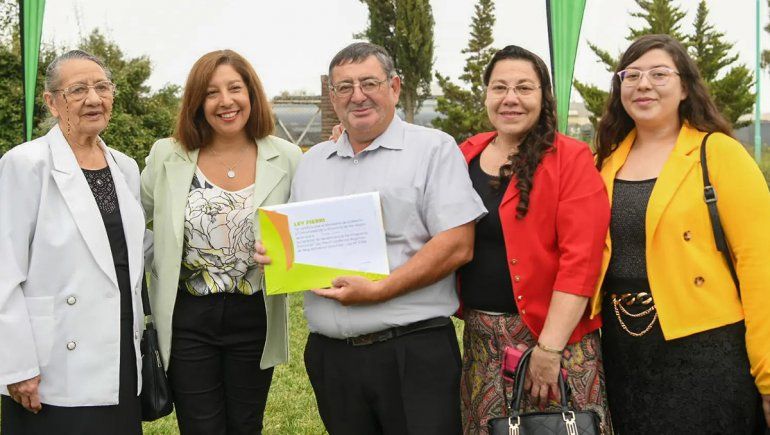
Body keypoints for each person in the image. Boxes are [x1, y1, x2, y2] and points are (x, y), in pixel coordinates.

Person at [256, 42, 486, 434]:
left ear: (394, 87)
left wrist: (380, 291)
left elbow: (457, 244)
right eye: (344, 87)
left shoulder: (433, 149)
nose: (357, 95)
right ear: (332, 97)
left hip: (412, 352)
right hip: (333, 359)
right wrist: (277, 254)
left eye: (369, 83)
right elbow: (302, 240)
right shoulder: (313, 163)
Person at [592, 34, 770, 433]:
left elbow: (761, 267)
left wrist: (769, 375)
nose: (643, 84)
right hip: (622, 349)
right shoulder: (602, 162)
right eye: (631, 75)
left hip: (707, 350)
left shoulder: (718, 153)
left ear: (685, 87)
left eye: (659, 74)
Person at [140, 49, 301, 434]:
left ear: (252, 94)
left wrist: (286, 253)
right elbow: (133, 219)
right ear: (197, 102)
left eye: (235, 88)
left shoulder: (288, 157)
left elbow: (309, 231)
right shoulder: (168, 155)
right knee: (201, 427)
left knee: (246, 425)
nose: (225, 101)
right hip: (188, 317)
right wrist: (159, 257)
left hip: (254, 315)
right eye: (212, 92)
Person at [455, 45, 612, 434]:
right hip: (482, 343)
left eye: (524, 88)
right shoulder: (465, 154)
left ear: (544, 96)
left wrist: (550, 348)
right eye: (499, 87)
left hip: (554, 342)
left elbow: (581, 261)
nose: (510, 98)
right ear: (486, 94)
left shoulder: (571, 159)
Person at [0, 50, 145, 434]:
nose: (94, 99)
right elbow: (4, 270)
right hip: (51, 365)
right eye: (78, 90)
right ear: (52, 102)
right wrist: (17, 366)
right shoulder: (25, 164)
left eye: (102, 87)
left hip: (119, 352)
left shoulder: (126, 167)